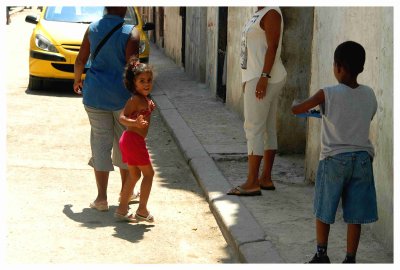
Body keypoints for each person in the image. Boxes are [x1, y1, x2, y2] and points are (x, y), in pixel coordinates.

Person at [292, 41, 378, 263]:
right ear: (360, 67)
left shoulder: (327, 93)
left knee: (324, 208)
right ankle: (350, 259)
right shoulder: (369, 94)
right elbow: (363, 118)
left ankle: (322, 254)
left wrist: (299, 106)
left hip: (333, 160)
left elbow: (298, 109)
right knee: (355, 215)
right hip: (361, 160)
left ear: (338, 67)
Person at [73, 7, 140, 211]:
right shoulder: (131, 32)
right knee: (124, 145)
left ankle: (101, 199)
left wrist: (77, 80)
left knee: (100, 143)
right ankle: (124, 195)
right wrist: (140, 95)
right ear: (124, 9)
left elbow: (80, 60)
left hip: (94, 96)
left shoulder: (92, 29)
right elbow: (132, 67)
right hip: (121, 99)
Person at [227, 7, 287, 196]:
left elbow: (273, 46)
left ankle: (252, 182)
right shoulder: (259, 12)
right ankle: (265, 178)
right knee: (267, 128)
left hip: (264, 77)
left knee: (253, 128)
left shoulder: (272, 12)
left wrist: (263, 77)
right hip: (256, 76)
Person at [114, 57, 156, 223]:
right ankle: (142, 210)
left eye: (149, 80)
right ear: (134, 83)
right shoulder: (134, 100)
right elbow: (121, 118)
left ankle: (122, 209)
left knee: (134, 175)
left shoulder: (143, 98)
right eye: (142, 81)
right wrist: (135, 123)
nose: (146, 84)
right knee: (149, 174)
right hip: (133, 140)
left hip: (130, 141)